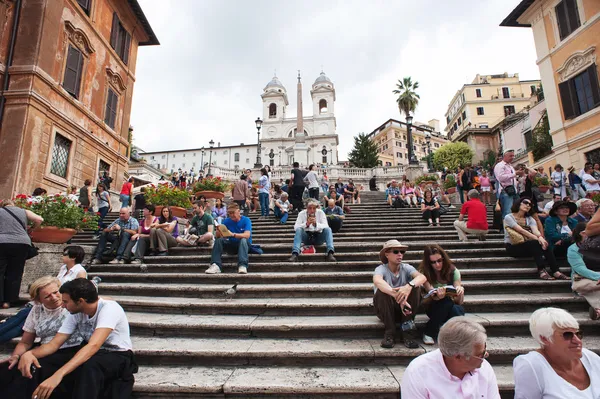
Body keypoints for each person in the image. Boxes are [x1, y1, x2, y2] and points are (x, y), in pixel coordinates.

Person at [17, 278, 136, 399]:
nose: (62, 305)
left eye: (66, 302)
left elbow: (93, 345)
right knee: (45, 364)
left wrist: (58, 375)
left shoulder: (109, 309)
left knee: (88, 367)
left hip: (118, 355)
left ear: (80, 301)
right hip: (95, 353)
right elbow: (54, 344)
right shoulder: (75, 312)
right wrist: (30, 354)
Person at [0, 277, 84, 397]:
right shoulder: (36, 310)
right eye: (47, 296)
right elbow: (25, 342)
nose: (54, 298)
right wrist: (16, 356)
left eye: (56, 292)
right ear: (39, 300)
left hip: (67, 350)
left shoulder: (70, 305)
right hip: (43, 349)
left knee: (30, 371)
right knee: (8, 369)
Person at [401, 317, 500, 398]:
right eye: (480, 354)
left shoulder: (484, 368)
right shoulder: (418, 372)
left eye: (485, 349)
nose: (486, 355)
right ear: (458, 357)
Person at [513, 307, 600, 398]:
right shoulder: (532, 365)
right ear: (545, 339)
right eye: (567, 335)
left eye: (578, 334)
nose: (577, 341)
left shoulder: (591, 358)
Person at [373, 240, 425, 349]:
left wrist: (408, 287)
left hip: (405, 310)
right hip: (386, 310)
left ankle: (407, 331)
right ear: (387, 254)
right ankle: (389, 332)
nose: (400, 254)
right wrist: (397, 295)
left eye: (402, 252)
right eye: (396, 251)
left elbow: (422, 277)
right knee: (382, 291)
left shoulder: (406, 267)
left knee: (416, 287)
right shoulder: (381, 269)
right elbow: (377, 281)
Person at [504, 197, 568, 281]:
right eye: (525, 202)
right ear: (518, 203)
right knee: (535, 242)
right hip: (513, 247)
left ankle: (556, 270)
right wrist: (538, 239)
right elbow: (521, 230)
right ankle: (541, 270)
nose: (528, 205)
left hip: (529, 246)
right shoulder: (509, 217)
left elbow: (535, 231)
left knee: (544, 243)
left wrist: (541, 238)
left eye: (530, 205)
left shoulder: (530, 219)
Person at [0, 200, 43, 309]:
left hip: (2, 242)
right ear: (13, 205)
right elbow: (39, 219)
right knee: (15, 272)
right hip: (21, 243)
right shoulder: (23, 211)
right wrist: (31, 229)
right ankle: (9, 301)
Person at [418, 244, 465, 345]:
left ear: (444, 258)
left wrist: (460, 292)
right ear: (428, 263)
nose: (437, 265)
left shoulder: (453, 271)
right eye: (433, 262)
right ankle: (433, 332)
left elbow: (459, 301)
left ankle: (432, 331)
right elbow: (431, 294)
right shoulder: (424, 273)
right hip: (433, 307)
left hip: (452, 305)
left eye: (439, 260)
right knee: (446, 301)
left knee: (456, 309)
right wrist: (438, 296)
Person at [205, 203, 252, 274]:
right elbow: (219, 236)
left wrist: (233, 235)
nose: (231, 215)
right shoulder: (227, 221)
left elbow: (247, 235)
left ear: (238, 211)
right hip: (232, 245)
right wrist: (218, 231)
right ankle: (216, 265)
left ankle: (242, 265)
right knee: (219, 240)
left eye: (233, 213)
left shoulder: (246, 220)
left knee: (243, 239)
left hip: (244, 245)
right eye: (229, 213)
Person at [568, 222, 600, 320]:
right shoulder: (573, 249)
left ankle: (598, 310)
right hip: (582, 278)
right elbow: (581, 269)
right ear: (583, 233)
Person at [494, 148, 518, 224]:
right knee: (507, 211)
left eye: (513, 156)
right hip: (505, 191)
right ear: (505, 156)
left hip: (513, 190)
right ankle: (506, 232)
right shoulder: (500, 165)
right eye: (510, 156)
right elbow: (500, 177)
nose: (512, 157)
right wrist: (515, 174)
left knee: (513, 211)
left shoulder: (510, 166)